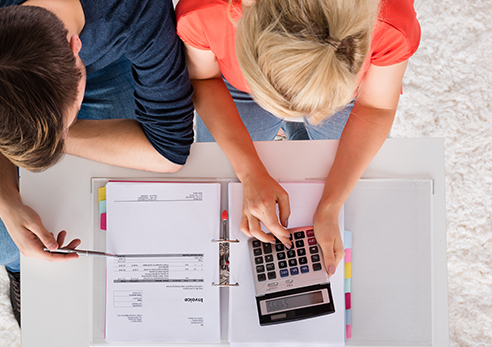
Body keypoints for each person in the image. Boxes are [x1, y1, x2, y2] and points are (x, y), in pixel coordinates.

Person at [0, 0, 194, 325]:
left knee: (106, 213)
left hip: (112, 58)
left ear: (74, 45)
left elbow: (169, 146)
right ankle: (18, 270)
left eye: (67, 123)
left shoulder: (133, 8)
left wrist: (45, 136)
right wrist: (5, 199)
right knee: (0, 243)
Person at [176, 0, 420, 276]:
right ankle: (291, 128)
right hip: (236, 85)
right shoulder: (205, 12)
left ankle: (298, 127)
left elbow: (376, 107)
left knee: (358, 180)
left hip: (349, 93)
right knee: (220, 170)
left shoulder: (388, 22)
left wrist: (331, 205)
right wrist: (248, 171)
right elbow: (205, 79)